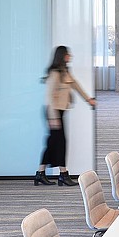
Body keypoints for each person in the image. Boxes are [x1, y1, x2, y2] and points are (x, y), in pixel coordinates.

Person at [36, 45, 96, 186]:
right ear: (62, 56)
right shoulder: (55, 73)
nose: (70, 56)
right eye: (68, 54)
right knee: (60, 143)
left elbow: (76, 86)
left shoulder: (64, 71)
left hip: (59, 112)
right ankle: (63, 174)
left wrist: (89, 100)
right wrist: (53, 117)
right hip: (53, 112)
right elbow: (49, 97)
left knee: (52, 144)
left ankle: (40, 173)